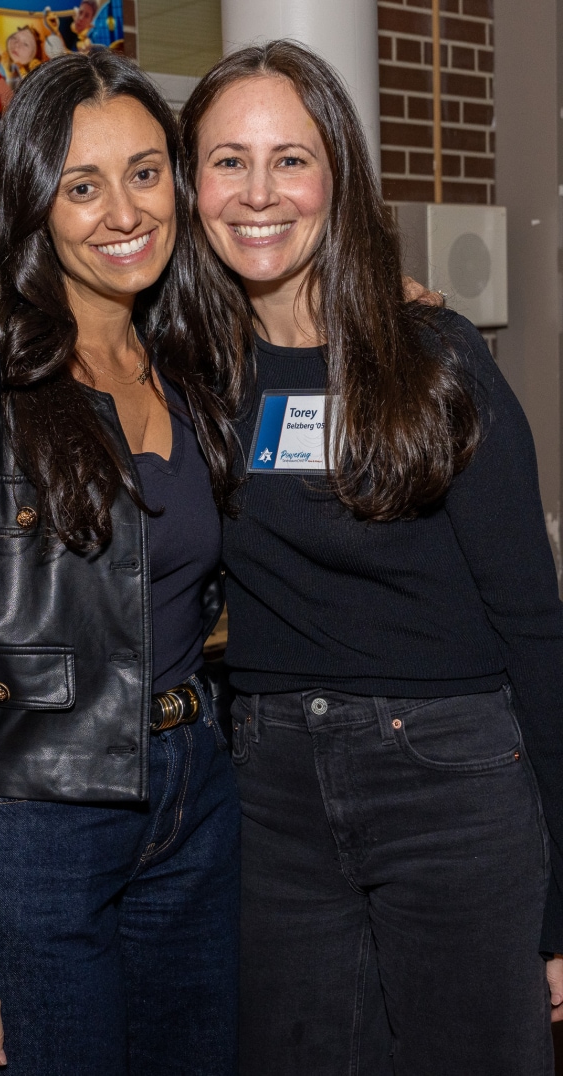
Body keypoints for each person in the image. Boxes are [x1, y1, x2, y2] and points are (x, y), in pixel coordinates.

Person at [179, 40, 563, 1075]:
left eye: (291, 159)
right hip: (269, 790)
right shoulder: (186, 369)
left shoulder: (432, 355)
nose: (259, 193)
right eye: (228, 161)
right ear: (190, 184)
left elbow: (535, 621)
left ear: (338, 174)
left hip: (451, 778)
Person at [0, 51, 240, 1076]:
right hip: (37, 825)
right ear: (34, 201)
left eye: (146, 173)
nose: (124, 212)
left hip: (199, 794)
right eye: (82, 186)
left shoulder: (198, 364)